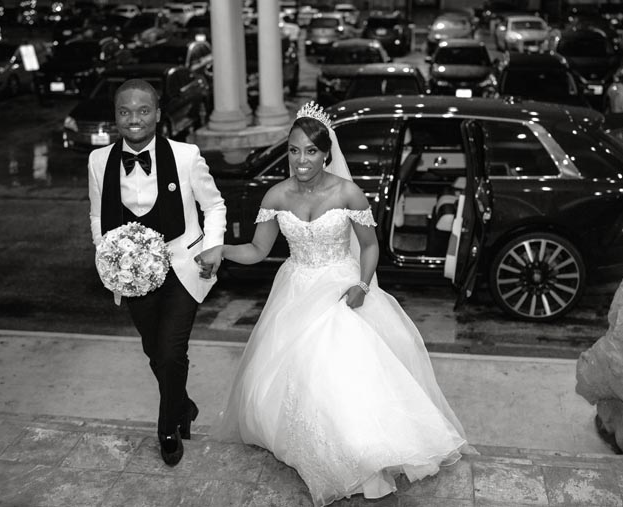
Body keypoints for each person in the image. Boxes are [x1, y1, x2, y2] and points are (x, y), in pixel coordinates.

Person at [208, 102, 468, 506]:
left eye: (311, 151)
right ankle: (315, 448)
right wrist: (221, 250)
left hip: (340, 289)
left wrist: (363, 286)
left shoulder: (347, 192)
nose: (301, 160)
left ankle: (363, 451)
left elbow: (369, 246)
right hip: (296, 290)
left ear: (326, 153)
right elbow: (258, 250)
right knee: (298, 375)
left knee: (343, 370)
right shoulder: (276, 195)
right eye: (294, 151)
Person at [87, 79, 226, 466]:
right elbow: (98, 215)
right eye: (125, 111)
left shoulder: (186, 155)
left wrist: (213, 245)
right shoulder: (98, 161)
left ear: (159, 115)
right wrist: (109, 257)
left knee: (169, 350)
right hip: (133, 274)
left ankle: (168, 429)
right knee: (155, 351)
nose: (134, 119)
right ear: (116, 116)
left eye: (143, 110)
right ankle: (183, 405)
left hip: (184, 266)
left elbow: (214, 206)